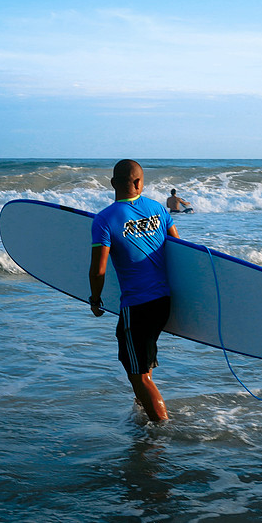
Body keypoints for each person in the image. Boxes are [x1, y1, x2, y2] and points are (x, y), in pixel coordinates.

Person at [88, 159, 179, 422]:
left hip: (137, 306)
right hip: (163, 301)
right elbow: (180, 250)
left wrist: (95, 299)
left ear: (113, 183)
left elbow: (98, 270)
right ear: (140, 182)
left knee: (138, 374)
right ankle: (143, 410)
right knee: (138, 365)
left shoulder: (104, 220)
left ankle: (161, 431)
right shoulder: (159, 210)